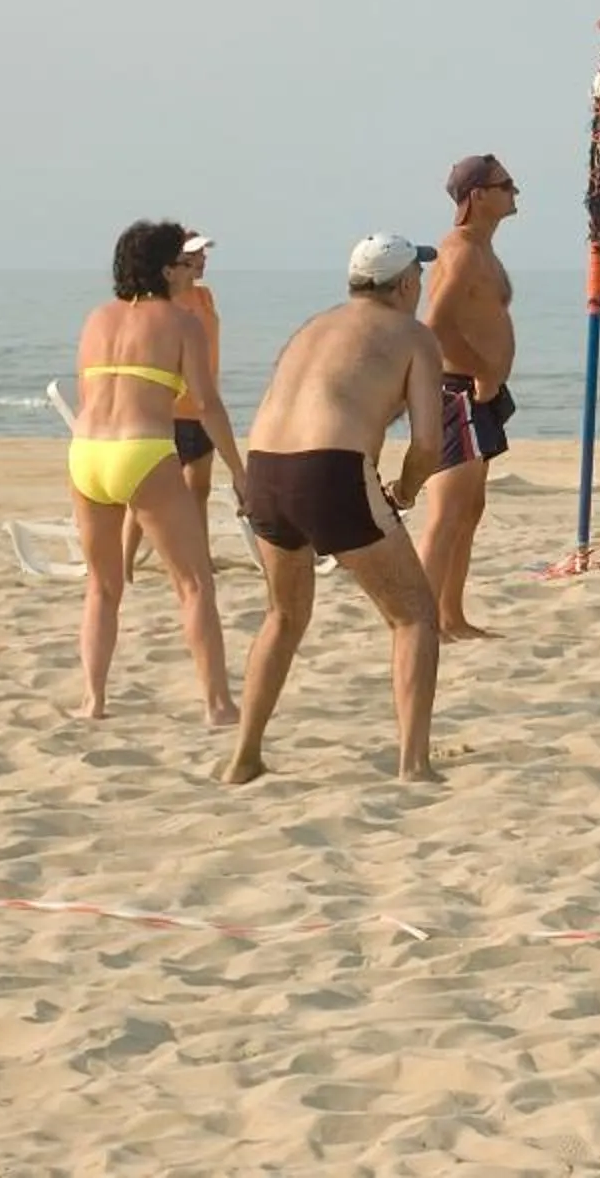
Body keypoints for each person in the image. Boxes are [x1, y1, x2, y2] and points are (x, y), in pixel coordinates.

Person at [223, 235, 449, 786]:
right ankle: (414, 765)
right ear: (402, 285)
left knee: (283, 615)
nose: (420, 284)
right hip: (329, 468)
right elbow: (426, 442)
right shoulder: (413, 335)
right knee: (414, 614)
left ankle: (244, 755)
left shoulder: (312, 327)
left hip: (266, 469)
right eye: (417, 275)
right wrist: (409, 489)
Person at [65, 219, 246, 724]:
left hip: (86, 453)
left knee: (102, 587)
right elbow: (206, 405)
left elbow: (86, 394)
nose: (190, 265)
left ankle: (93, 701)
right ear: (166, 269)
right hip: (140, 450)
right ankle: (218, 705)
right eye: (182, 259)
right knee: (193, 585)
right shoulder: (182, 321)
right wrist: (238, 467)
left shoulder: (96, 318)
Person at [419, 153, 519, 639]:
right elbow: (434, 326)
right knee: (445, 513)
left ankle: (449, 616)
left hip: (479, 394)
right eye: (505, 185)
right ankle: (418, 624)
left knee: (470, 510)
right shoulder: (460, 251)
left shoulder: (484, 250)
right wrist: (482, 371)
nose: (514, 192)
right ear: (477, 195)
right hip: (456, 390)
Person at [141, 230, 224, 583]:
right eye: (194, 255)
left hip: (202, 406)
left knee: (199, 489)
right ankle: (128, 561)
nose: (202, 260)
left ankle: (200, 556)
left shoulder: (205, 297)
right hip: (172, 409)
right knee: (153, 493)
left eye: (204, 254)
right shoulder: (163, 302)